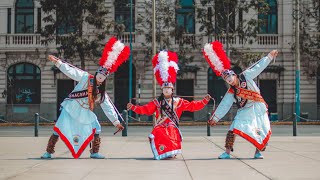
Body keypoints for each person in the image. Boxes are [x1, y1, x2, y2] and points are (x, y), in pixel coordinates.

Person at [41, 37, 129, 159]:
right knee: (59, 127)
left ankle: (94, 152)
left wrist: (116, 122)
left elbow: (108, 107)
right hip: (71, 108)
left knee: (96, 128)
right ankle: (48, 152)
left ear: (105, 79)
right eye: (100, 74)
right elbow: (71, 71)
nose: (101, 77)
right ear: (97, 72)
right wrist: (58, 62)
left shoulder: (101, 93)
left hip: (85, 112)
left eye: (104, 76)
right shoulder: (85, 77)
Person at [127, 50, 211, 160]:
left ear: (172, 90)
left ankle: (171, 151)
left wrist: (204, 101)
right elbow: (145, 109)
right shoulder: (157, 102)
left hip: (172, 125)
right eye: (165, 88)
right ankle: (162, 151)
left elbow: (192, 106)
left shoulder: (178, 102)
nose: (167, 90)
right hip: (160, 125)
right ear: (162, 90)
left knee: (171, 130)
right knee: (158, 131)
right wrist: (133, 107)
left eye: (169, 89)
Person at [203, 41, 278, 159]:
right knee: (233, 128)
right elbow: (224, 105)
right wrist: (215, 118)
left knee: (261, 130)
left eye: (230, 78)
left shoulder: (246, 75)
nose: (230, 81)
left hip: (258, 107)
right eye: (227, 80)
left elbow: (258, 67)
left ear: (234, 75)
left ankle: (258, 152)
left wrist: (269, 57)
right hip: (244, 110)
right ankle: (227, 152)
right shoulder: (231, 91)